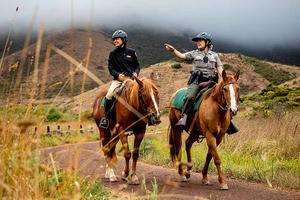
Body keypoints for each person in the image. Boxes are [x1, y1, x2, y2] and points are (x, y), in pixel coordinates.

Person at [164, 32, 239, 134]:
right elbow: (182, 56)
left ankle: (228, 122)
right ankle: (184, 118)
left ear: (207, 42)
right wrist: (173, 50)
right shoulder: (194, 53)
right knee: (190, 96)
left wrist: (226, 78)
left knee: (225, 96)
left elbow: (220, 68)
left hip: (211, 82)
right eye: (197, 41)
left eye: (200, 40)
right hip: (197, 82)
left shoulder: (215, 55)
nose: (198, 42)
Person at [99, 30, 140, 129]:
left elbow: (137, 65)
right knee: (109, 95)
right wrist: (117, 75)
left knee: (143, 93)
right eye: (114, 39)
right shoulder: (112, 54)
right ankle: (106, 119)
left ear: (124, 40)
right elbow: (110, 68)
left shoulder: (132, 52)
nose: (115, 41)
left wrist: (136, 73)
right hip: (118, 81)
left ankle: (149, 117)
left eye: (117, 39)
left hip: (131, 80)